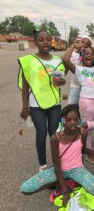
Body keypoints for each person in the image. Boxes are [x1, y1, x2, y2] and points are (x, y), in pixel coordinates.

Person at [20, 105, 94, 206]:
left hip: (77, 169)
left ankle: (66, 182)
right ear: (63, 121)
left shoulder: (82, 133)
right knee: (25, 189)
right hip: (59, 170)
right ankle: (59, 183)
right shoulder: (55, 138)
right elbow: (57, 165)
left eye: (76, 119)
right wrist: (64, 190)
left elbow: (83, 149)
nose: (73, 122)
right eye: (69, 119)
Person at [18, 29, 66, 172]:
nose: (45, 42)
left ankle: (57, 163)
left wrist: (61, 82)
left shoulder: (57, 60)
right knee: (41, 133)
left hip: (54, 103)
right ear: (35, 42)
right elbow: (25, 86)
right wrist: (25, 107)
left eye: (48, 39)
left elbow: (62, 81)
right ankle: (43, 165)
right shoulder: (28, 61)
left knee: (54, 133)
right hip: (36, 103)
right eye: (41, 39)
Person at [62, 44, 94, 164]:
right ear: (82, 57)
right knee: (88, 132)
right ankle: (90, 155)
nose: (89, 55)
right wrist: (73, 47)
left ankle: (87, 124)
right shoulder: (78, 69)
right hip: (86, 101)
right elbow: (65, 60)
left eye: (92, 54)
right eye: (86, 54)